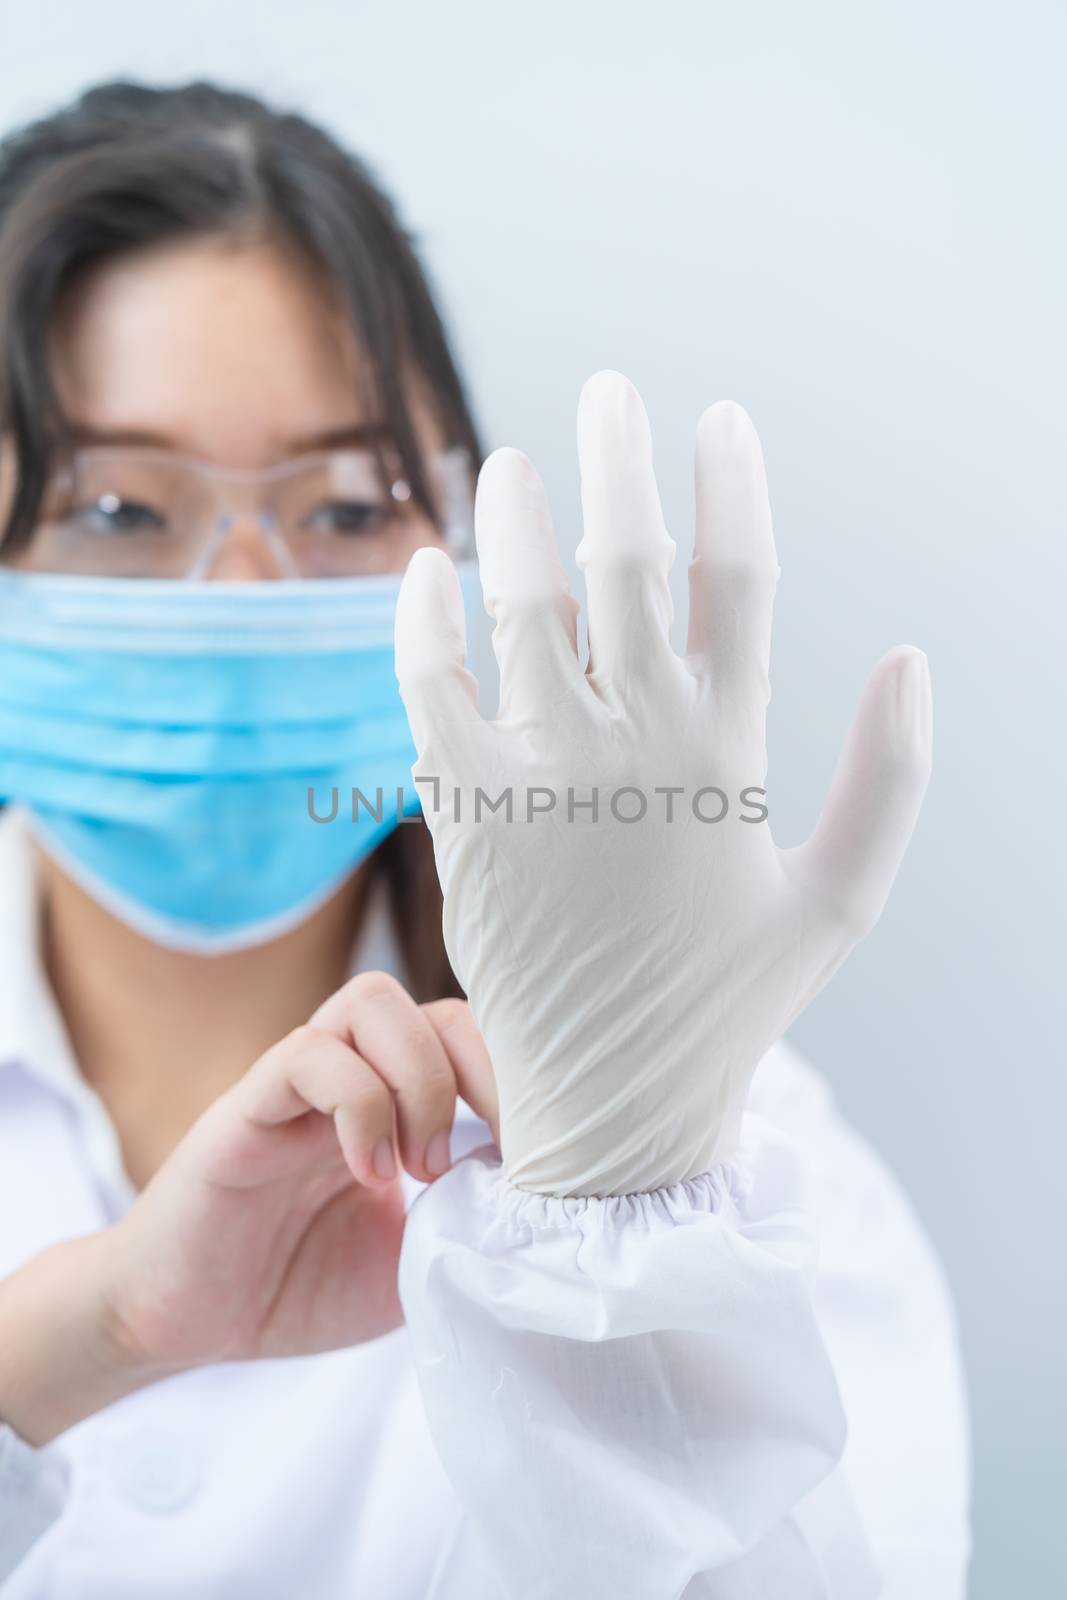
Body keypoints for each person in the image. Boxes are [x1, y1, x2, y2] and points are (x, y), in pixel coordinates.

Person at [0, 80, 970, 1599]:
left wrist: (624, 1223)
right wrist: (77, 1342)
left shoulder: (726, 1148)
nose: (249, 592)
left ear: (459, 546)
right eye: (120, 509)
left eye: (344, 502)